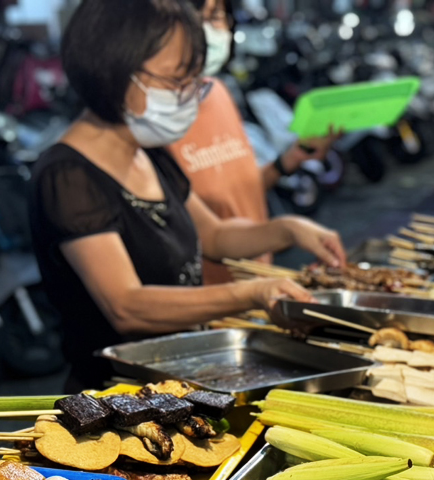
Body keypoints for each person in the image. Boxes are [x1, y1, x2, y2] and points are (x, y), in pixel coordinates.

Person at [30, 0, 345, 390]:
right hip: (116, 399)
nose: (188, 96)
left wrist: (288, 229)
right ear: (113, 70)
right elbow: (126, 305)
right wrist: (251, 292)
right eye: (176, 81)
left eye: (193, 82)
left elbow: (213, 236)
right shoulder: (68, 176)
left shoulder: (148, 152)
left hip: (180, 379)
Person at [171, 0, 341, 284]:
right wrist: (285, 230)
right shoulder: (157, 119)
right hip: (210, 296)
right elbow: (208, 234)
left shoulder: (219, 93)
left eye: (216, 16)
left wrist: (288, 161)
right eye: (195, 18)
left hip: (257, 283)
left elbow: (241, 190)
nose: (208, 30)